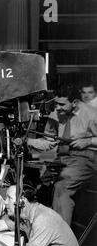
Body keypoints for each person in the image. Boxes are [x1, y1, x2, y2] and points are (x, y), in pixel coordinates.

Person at [27, 83, 97, 225]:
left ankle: (62, 237)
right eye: (56, 103)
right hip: (59, 156)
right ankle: (38, 227)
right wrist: (28, 141)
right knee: (30, 166)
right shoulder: (56, 113)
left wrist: (89, 141)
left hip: (85, 158)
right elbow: (49, 142)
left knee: (61, 187)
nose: (57, 108)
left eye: (61, 104)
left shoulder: (92, 114)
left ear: (75, 102)